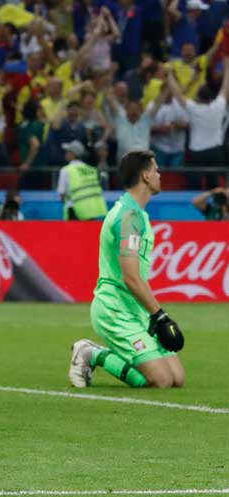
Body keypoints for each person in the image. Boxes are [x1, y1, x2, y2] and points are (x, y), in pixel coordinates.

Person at [70, 150, 186, 389]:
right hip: (115, 310)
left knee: (177, 379)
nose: (159, 175)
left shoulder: (136, 214)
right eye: (156, 170)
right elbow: (131, 277)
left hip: (136, 309)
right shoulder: (127, 218)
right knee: (161, 380)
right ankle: (92, 353)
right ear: (145, 176)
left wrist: (153, 314)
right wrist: (160, 316)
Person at [57, 140, 107, 220]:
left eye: (68, 151)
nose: (66, 154)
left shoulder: (66, 170)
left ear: (73, 154)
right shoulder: (92, 170)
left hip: (74, 210)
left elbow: (62, 195)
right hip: (91, 211)